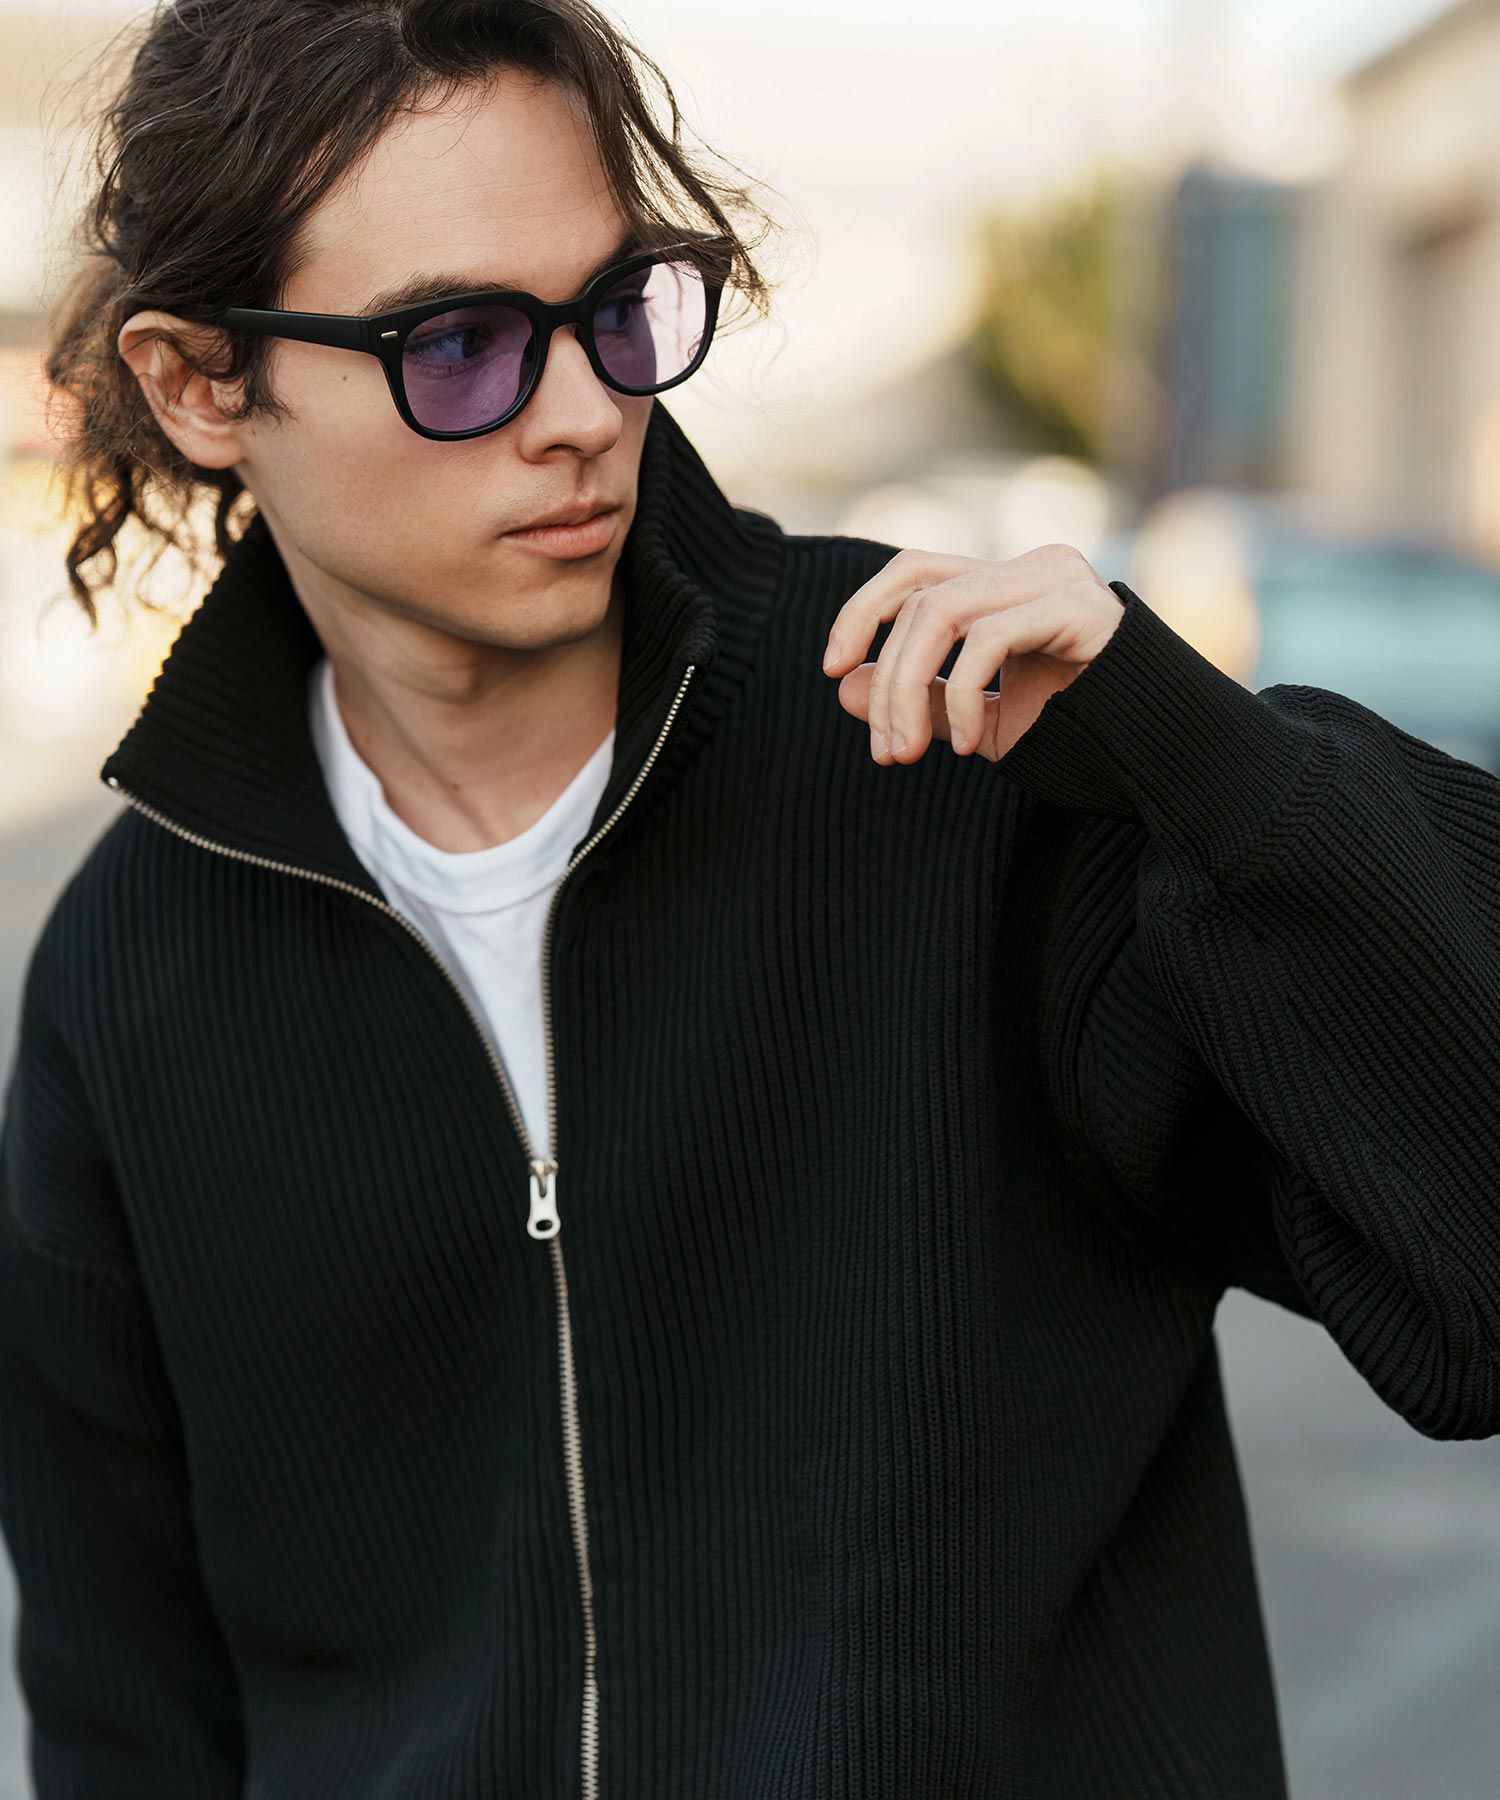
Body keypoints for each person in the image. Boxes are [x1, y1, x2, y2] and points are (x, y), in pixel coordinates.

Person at [3, 1, 1498, 1796]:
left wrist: (1213, 766)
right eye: (458, 345)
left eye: (617, 311)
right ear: (199, 383)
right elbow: (124, 1714)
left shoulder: (960, 752)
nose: (585, 415)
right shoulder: (134, 969)